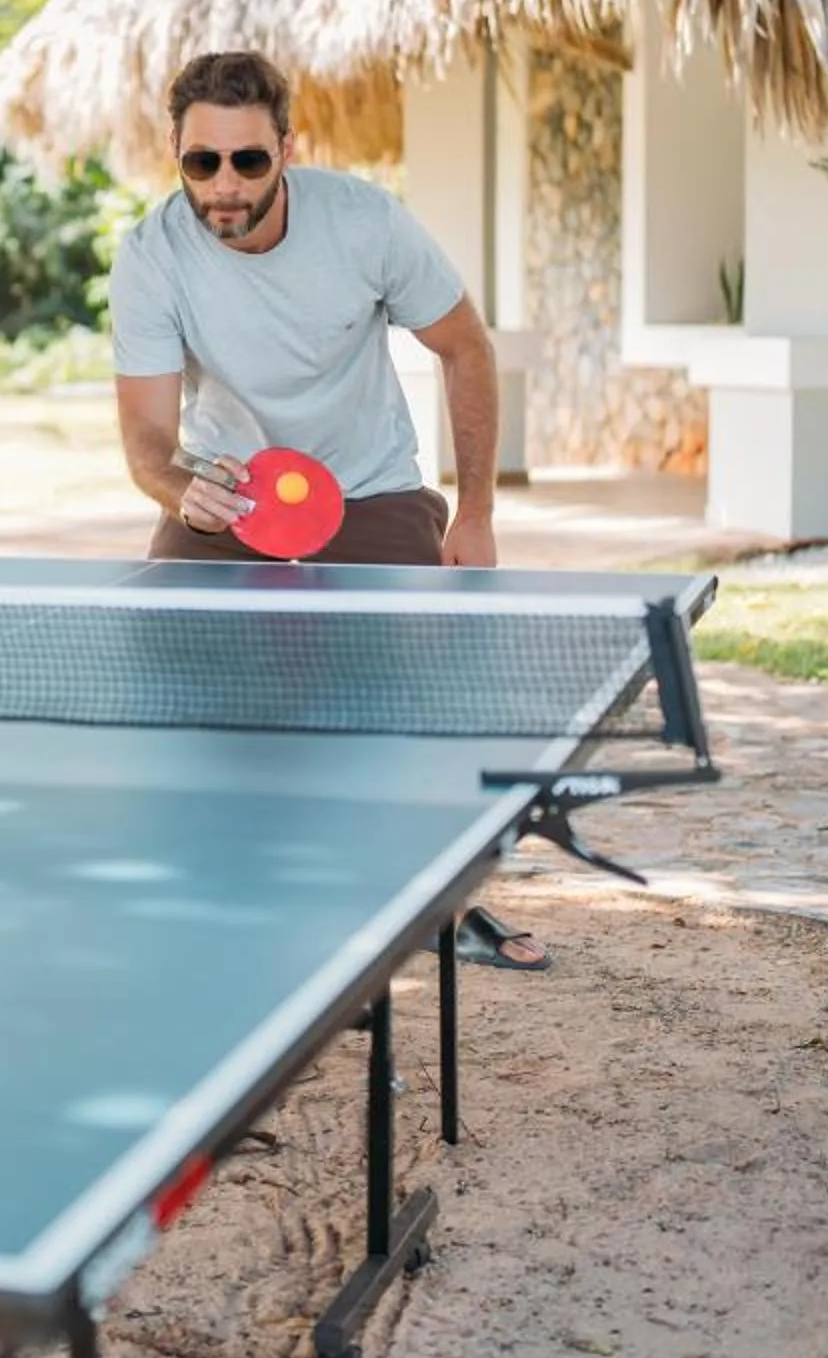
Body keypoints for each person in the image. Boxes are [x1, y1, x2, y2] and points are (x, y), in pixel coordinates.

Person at [107, 49, 542, 967]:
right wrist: (183, 489)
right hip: (229, 494)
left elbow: (465, 350)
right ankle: (221, 891)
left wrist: (474, 514)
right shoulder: (151, 256)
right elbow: (147, 440)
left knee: (401, 719)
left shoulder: (365, 224)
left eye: (248, 161)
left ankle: (442, 905)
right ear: (178, 156)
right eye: (202, 163)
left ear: (285, 151)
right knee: (175, 692)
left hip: (369, 486)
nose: (225, 186)